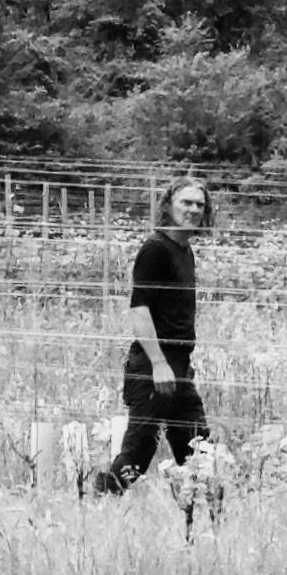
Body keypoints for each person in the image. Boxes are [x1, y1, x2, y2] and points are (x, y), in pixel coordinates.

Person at [94, 179, 214, 492]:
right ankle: (96, 505)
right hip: (153, 367)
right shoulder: (155, 250)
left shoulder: (184, 250)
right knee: (137, 454)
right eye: (186, 203)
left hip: (179, 367)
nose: (193, 210)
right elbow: (140, 311)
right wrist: (159, 364)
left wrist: (177, 368)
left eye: (199, 205)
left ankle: (204, 519)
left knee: (198, 449)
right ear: (168, 206)